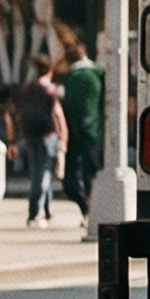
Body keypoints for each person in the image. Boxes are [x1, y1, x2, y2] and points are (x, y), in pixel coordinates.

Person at [10, 57, 66, 225]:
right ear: (49, 71)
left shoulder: (26, 90)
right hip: (47, 135)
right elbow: (58, 115)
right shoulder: (49, 90)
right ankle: (34, 213)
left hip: (29, 135)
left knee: (40, 171)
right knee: (41, 175)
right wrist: (63, 136)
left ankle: (47, 210)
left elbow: (11, 112)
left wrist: (13, 138)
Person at [58, 35, 105, 221]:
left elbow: (64, 105)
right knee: (91, 171)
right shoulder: (99, 72)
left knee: (71, 176)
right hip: (96, 131)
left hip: (72, 131)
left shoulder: (70, 77)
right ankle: (91, 209)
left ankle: (86, 208)